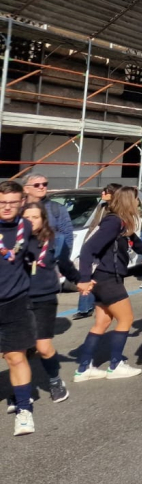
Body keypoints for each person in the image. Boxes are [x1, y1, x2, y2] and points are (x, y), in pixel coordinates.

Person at [73, 186, 142, 384]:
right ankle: (115, 365)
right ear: (128, 201)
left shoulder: (121, 222)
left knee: (102, 322)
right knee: (126, 319)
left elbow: (136, 242)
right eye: (136, 200)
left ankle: (84, 368)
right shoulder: (113, 221)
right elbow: (89, 249)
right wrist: (83, 278)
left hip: (105, 277)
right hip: (107, 278)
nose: (139, 204)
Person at [16, 203, 79, 410]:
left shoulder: (54, 240)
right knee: (19, 349)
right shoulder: (13, 241)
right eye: (27, 217)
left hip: (44, 298)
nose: (32, 221)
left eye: (36, 217)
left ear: (43, 219)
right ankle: (23, 391)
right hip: (18, 299)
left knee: (43, 347)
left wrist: (80, 281)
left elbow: (65, 264)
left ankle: (54, 380)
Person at [0, 181, 38, 434]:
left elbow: (36, 256)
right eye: (2, 202)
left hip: (15, 301)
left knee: (16, 356)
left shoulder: (27, 227)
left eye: (12, 202)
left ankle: (24, 409)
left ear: (22, 202)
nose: (7, 207)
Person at [73, 183, 122, 319]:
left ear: (114, 194)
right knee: (87, 274)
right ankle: (84, 308)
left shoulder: (115, 213)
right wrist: (87, 241)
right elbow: (93, 226)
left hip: (104, 250)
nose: (103, 193)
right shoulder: (102, 207)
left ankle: (96, 306)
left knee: (94, 277)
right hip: (92, 244)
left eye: (106, 191)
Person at [24, 173, 75, 271]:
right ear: (26, 189)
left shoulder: (57, 208)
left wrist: (63, 264)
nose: (42, 187)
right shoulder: (19, 208)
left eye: (44, 184)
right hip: (22, 261)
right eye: (37, 185)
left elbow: (67, 236)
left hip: (49, 263)